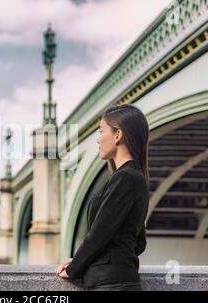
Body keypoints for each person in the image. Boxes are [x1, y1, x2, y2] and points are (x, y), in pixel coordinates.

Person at [55, 104, 150, 291]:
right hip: (118, 281)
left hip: (111, 285)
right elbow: (138, 243)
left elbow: (98, 234)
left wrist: (74, 268)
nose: (98, 140)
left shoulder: (125, 178)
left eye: (101, 131)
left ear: (118, 135)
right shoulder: (133, 177)